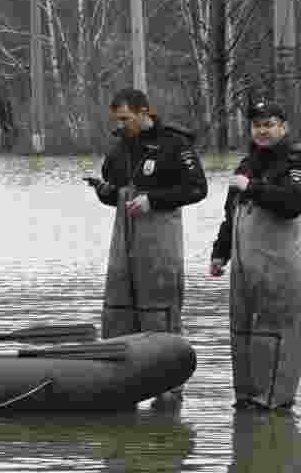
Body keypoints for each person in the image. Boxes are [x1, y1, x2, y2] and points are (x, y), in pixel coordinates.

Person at [85, 88, 207, 340]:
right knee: (118, 319)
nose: (121, 125)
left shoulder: (174, 144)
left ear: (143, 112)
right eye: (118, 119)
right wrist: (104, 190)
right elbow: (119, 194)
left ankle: (168, 372)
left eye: (125, 118)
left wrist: (153, 200)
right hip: (124, 250)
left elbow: (197, 189)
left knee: (158, 321)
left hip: (159, 251)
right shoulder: (119, 150)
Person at [208, 100, 301, 411]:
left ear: (283, 127)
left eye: (269, 123)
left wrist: (254, 189)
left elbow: (292, 204)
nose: (262, 130)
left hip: (281, 268)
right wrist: (220, 253)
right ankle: (246, 404)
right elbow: (229, 215)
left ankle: (275, 405)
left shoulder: (295, 162)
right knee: (242, 334)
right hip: (244, 270)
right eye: (257, 125)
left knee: (276, 334)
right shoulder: (245, 164)